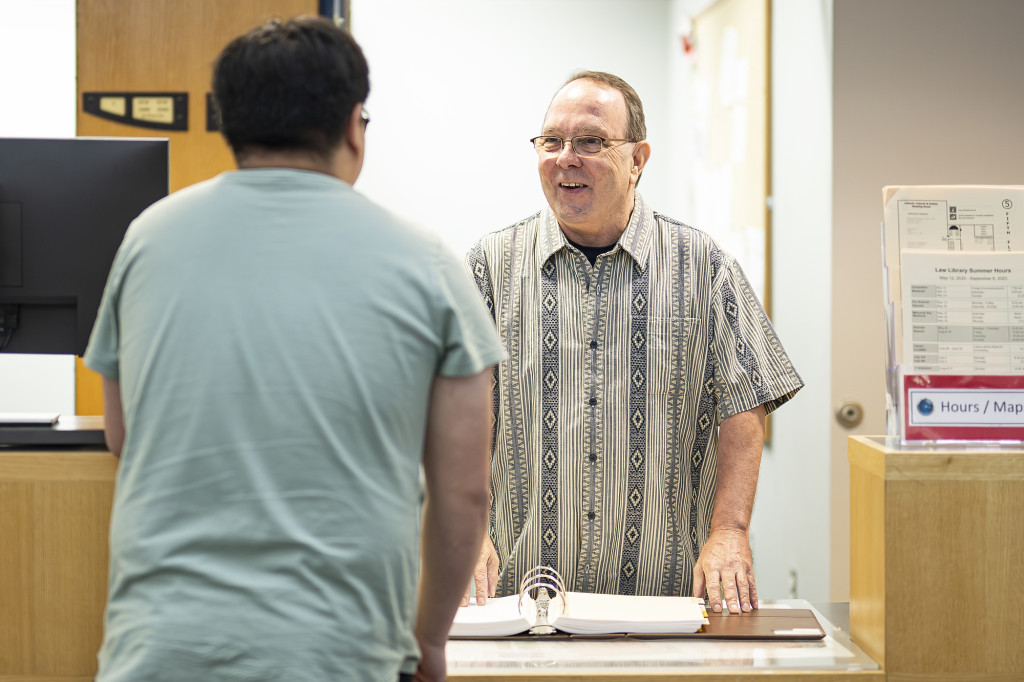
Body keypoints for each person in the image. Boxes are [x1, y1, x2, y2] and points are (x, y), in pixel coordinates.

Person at [84, 16, 505, 682]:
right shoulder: (428, 263)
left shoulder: (148, 238)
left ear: (231, 127)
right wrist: (429, 641)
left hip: (159, 654)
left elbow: (121, 433)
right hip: (341, 656)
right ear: (352, 126)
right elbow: (466, 494)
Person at [464, 71, 803, 614]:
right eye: (552, 141)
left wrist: (731, 530)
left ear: (638, 158)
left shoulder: (704, 266)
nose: (566, 158)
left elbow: (746, 403)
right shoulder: (490, 266)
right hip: (523, 602)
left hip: (663, 600)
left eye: (592, 142)